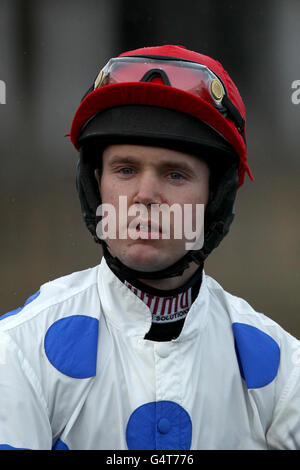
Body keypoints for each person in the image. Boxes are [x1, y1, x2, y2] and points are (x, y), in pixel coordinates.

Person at [0, 44, 300, 451]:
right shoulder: (16, 351)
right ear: (96, 187)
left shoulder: (284, 371)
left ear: (215, 198)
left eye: (175, 174)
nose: (144, 195)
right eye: (125, 170)